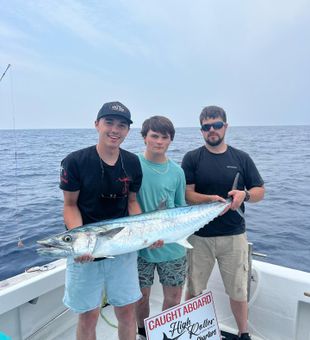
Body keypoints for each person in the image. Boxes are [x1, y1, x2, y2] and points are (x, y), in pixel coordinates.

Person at [59, 101, 143, 340]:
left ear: (128, 131)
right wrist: (81, 243)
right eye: (109, 122)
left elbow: (132, 203)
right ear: (97, 124)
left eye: (122, 125)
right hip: (85, 250)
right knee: (88, 315)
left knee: (127, 311)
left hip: (123, 246)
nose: (115, 130)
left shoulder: (133, 163)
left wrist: (144, 235)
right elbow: (70, 205)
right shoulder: (75, 161)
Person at [181, 106, 265, 340]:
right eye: (206, 127)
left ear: (225, 126)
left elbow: (260, 191)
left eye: (217, 125)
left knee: (239, 290)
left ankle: (244, 333)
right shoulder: (192, 158)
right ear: (201, 131)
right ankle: (190, 331)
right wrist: (209, 200)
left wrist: (244, 195)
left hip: (234, 236)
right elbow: (188, 194)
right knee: (194, 289)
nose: (212, 130)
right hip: (199, 236)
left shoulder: (241, 158)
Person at [135, 116, 187, 340]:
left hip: (172, 246)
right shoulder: (132, 165)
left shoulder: (177, 172)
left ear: (170, 140)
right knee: (139, 297)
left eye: (164, 137)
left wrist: (166, 234)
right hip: (138, 245)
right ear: (144, 137)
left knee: (174, 298)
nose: (158, 141)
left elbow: (181, 207)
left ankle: (165, 335)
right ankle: (143, 333)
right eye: (154, 136)